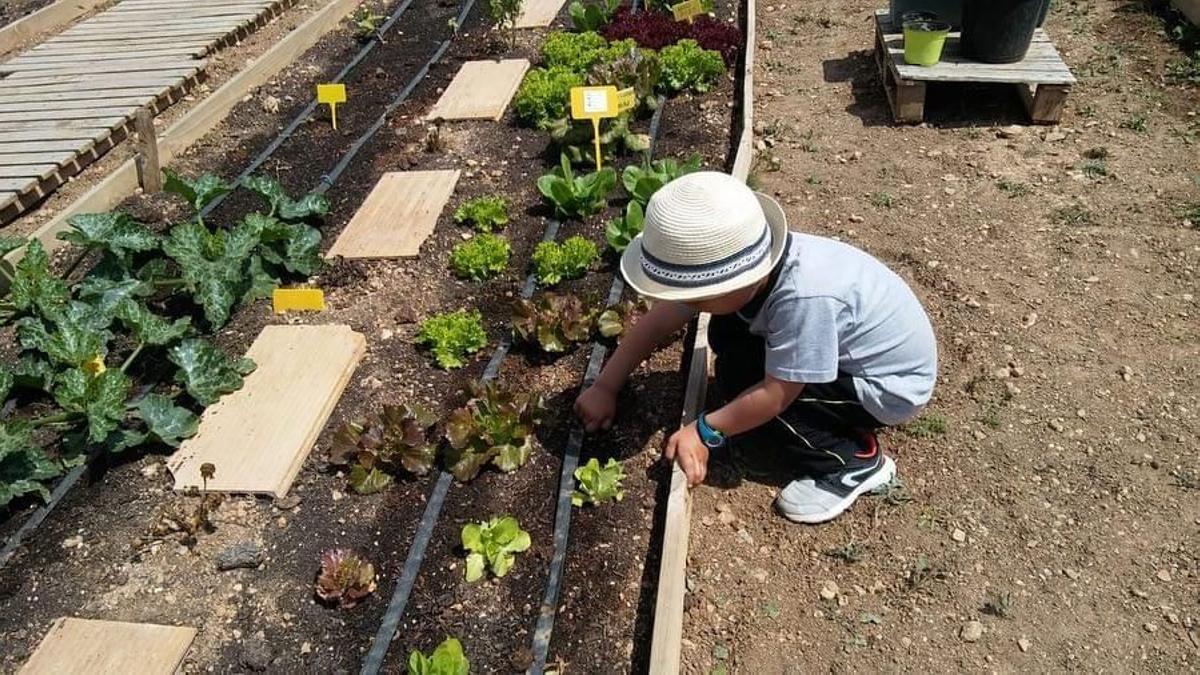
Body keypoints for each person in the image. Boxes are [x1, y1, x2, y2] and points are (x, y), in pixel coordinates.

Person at [574, 171, 938, 523]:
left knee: (776, 401)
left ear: (734, 282)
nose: (691, 306)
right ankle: (789, 418)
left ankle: (852, 463)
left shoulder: (803, 299)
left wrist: (704, 431)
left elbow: (778, 393)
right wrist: (606, 385)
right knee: (731, 346)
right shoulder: (744, 263)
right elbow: (660, 320)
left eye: (698, 300)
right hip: (846, 359)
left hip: (885, 387)